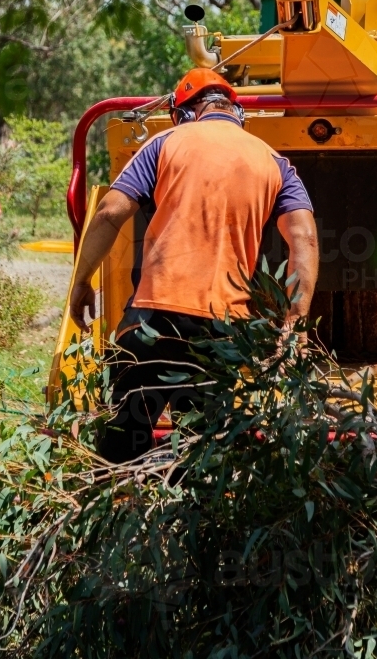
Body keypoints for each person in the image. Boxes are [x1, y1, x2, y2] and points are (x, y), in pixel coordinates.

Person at [69, 67, 319, 461]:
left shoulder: (165, 142)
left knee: (122, 445)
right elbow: (303, 238)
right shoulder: (275, 162)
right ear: (237, 114)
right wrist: (295, 322)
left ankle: (120, 504)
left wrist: (81, 281)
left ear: (183, 113)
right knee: (201, 454)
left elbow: (108, 213)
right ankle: (193, 519)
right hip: (224, 330)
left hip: (153, 319)